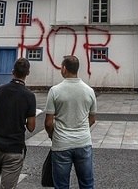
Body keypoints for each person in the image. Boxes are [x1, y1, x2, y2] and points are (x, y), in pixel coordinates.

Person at [0, 58, 36, 189]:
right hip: (15, 148)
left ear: (12, 72)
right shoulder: (29, 96)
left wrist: (0, 118)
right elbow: (31, 126)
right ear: (27, 73)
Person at [44, 55, 97, 189]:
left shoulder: (55, 91)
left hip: (61, 143)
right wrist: (82, 128)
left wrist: (52, 135)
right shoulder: (89, 91)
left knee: (61, 185)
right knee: (87, 184)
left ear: (64, 68)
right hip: (83, 141)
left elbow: (49, 122)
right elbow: (92, 119)